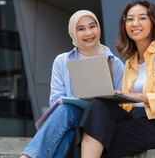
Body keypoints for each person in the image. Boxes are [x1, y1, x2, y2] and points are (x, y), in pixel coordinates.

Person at [64, 0, 155, 158]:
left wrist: (139, 97)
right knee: (97, 106)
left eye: (142, 18)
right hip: (134, 120)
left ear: (153, 23)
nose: (135, 23)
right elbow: (126, 106)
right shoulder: (131, 61)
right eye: (129, 19)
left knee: (96, 136)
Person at [20, 10, 125, 158]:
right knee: (65, 112)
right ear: (73, 33)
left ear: (98, 28)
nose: (88, 33)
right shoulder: (62, 61)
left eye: (92, 26)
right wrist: (76, 100)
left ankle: (27, 156)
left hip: (100, 124)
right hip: (72, 119)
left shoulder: (115, 63)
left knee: (66, 134)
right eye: (81, 29)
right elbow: (55, 101)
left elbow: (123, 104)